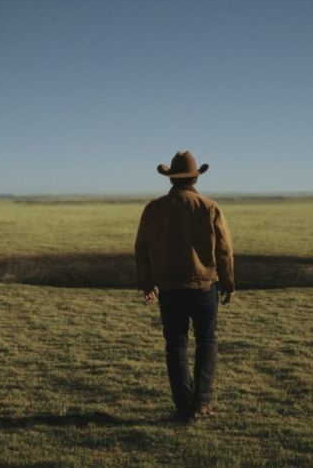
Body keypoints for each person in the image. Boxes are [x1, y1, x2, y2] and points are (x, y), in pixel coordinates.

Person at [135, 151, 234, 423]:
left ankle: (183, 408)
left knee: (176, 345)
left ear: (171, 179)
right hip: (204, 288)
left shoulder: (154, 209)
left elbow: (142, 249)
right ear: (194, 177)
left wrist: (147, 283)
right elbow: (224, 250)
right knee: (207, 342)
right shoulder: (209, 206)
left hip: (170, 288)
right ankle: (201, 403)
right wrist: (228, 282)